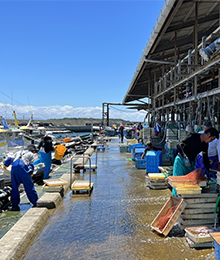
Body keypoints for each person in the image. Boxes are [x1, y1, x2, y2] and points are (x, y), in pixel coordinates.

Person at [4, 144, 38, 211]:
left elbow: (9, 159)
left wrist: (5, 165)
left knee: (14, 187)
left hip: (14, 168)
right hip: (23, 169)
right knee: (29, 186)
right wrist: (31, 172)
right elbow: (31, 165)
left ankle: (15, 206)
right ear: (33, 150)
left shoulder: (18, 152)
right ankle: (35, 203)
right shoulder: (31, 154)